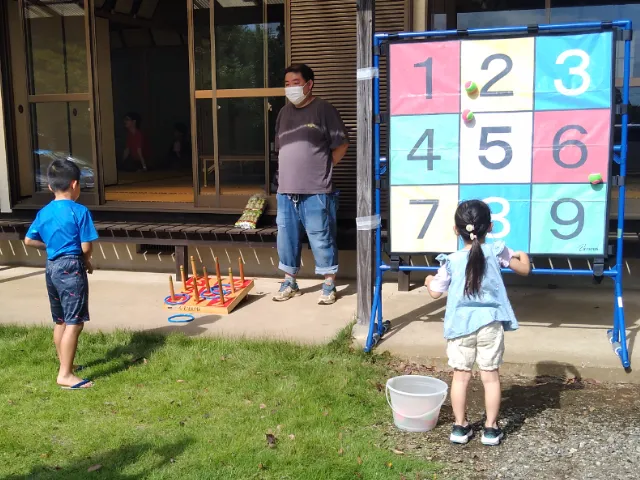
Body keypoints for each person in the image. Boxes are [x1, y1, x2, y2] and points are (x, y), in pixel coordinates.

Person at [424, 200, 531, 446]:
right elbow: (524, 269)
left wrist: (429, 280)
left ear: (456, 229)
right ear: (490, 227)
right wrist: (523, 255)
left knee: (460, 377)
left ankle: (460, 426)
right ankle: (490, 429)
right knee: (490, 377)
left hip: (460, 326)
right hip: (490, 324)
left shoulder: (451, 260)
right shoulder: (498, 251)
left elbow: (435, 293)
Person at [273, 64, 349, 305]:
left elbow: (341, 145)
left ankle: (329, 284)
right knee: (286, 239)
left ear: (309, 84)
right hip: (286, 189)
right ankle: (289, 282)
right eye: (287, 84)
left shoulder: (324, 110)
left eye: (295, 83)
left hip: (316, 189)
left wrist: (323, 167)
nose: (290, 88)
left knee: (321, 236)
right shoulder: (283, 113)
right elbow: (280, 149)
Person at [24, 159, 99, 390]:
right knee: (75, 323)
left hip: (52, 267)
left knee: (61, 320)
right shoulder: (80, 211)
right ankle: (65, 374)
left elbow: (28, 240)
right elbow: (86, 246)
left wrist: (50, 246)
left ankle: (65, 364)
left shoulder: (44, 212)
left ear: (50, 186)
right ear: (75, 184)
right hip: (71, 268)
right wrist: (86, 261)